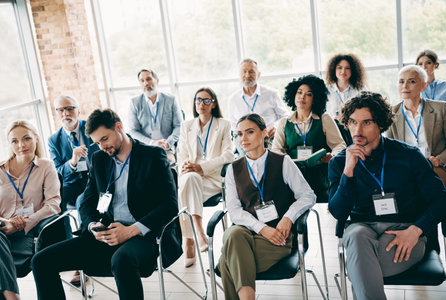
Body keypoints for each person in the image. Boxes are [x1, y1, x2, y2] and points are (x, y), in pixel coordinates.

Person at [32, 109, 181, 300]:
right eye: (97, 142)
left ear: (119, 127)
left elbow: (169, 206)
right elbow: (87, 201)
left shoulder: (152, 156)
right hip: (107, 232)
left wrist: (131, 230)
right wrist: (93, 225)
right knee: (41, 261)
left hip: (145, 236)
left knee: (122, 260)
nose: (102, 146)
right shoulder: (100, 159)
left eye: (105, 139)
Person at [328, 92, 446, 300]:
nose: (357, 130)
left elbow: (442, 201)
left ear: (381, 125)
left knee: (359, 268)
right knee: (356, 235)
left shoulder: (409, 155)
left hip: (406, 231)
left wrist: (416, 230)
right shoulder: (340, 163)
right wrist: (348, 173)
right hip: (363, 230)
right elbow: (338, 211)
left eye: (366, 122)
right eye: (352, 122)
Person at [218, 113, 316, 300]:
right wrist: (262, 228)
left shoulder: (282, 161)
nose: (243, 139)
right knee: (233, 233)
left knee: (228, 259)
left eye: (249, 132)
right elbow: (235, 211)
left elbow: (308, 195)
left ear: (264, 133)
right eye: (239, 134)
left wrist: (288, 217)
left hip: (278, 238)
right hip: (247, 233)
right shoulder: (233, 169)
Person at [0, 120, 61, 300]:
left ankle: (10, 295)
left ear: (36, 138)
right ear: (9, 144)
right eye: (15, 141)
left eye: (26, 138)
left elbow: (53, 204)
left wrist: (23, 223)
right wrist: (6, 222)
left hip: (24, 235)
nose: (21, 145)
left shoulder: (46, 166)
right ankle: (12, 295)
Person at [177, 88, 234, 267]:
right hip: (191, 177)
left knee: (182, 195)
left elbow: (228, 156)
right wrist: (187, 166)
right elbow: (181, 155)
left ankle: (189, 239)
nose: (201, 103)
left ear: (213, 103)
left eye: (206, 100)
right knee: (190, 178)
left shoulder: (223, 125)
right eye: (198, 100)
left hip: (213, 179)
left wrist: (201, 167)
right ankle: (199, 231)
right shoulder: (187, 126)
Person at [48, 95, 100, 285]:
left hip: (94, 180)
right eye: (61, 110)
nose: (65, 113)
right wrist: (73, 160)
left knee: (81, 204)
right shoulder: (54, 139)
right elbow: (58, 170)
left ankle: (84, 260)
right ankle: (70, 253)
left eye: (69, 108)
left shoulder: (90, 127)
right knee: (56, 206)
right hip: (70, 183)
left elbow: (104, 154)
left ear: (78, 110)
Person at [272, 75, 346, 203]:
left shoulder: (324, 119)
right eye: (299, 92)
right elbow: (276, 150)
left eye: (308, 94)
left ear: (315, 98)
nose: (302, 97)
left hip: (320, 177)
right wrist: (284, 159)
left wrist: (332, 156)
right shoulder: (284, 123)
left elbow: (340, 145)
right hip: (293, 177)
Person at [386, 65, 446, 188]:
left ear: (423, 86)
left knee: (428, 184)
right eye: (401, 81)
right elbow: (389, 150)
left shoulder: (440, 109)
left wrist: (439, 159)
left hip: (436, 166)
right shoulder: (391, 114)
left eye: (412, 81)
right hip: (406, 168)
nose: (405, 86)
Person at [228, 58, 289, 154]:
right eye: (244, 72)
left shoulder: (271, 94)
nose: (247, 75)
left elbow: (286, 117)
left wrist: (276, 126)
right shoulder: (233, 99)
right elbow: (233, 128)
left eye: (251, 72)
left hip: (269, 141)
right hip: (246, 146)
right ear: (240, 75)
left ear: (258, 74)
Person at [129, 68, 182, 162]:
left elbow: (179, 126)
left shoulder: (171, 99)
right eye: (142, 81)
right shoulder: (134, 102)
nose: (145, 83)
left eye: (148, 79)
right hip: (146, 148)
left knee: (164, 163)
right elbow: (133, 131)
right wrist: (151, 143)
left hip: (166, 149)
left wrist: (168, 142)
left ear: (157, 81)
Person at [325, 53, 367, 118]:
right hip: (332, 126)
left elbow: (366, 111)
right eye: (339, 68)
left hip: (355, 126)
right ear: (334, 70)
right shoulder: (326, 90)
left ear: (353, 70)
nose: (343, 71)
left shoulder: (361, 89)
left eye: (347, 68)